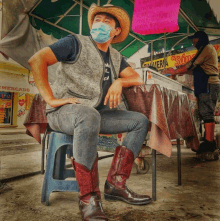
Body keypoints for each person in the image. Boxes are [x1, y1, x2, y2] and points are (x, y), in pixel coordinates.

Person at [28, 3, 152, 221]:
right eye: (97, 20)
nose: (99, 24)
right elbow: (37, 60)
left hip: (94, 114)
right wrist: (51, 99)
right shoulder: (75, 43)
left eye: (107, 22)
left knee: (140, 121)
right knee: (88, 115)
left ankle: (116, 184)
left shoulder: (115, 56)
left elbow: (136, 77)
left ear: (116, 31)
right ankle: (88, 198)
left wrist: (119, 81)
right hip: (64, 113)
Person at [163, 31, 220, 161]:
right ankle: (208, 141)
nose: (193, 42)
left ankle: (209, 143)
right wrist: (177, 72)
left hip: (208, 84)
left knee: (207, 113)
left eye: (194, 39)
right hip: (206, 84)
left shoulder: (206, 48)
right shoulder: (204, 49)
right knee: (205, 114)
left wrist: (175, 71)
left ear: (199, 39)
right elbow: (191, 67)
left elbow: (191, 64)